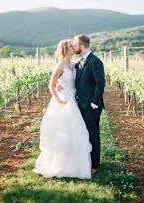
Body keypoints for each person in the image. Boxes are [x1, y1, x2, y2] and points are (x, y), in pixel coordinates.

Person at [33, 39, 92, 179]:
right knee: (63, 132)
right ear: (66, 49)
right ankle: (60, 163)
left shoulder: (73, 65)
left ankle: (74, 163)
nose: (74, 48)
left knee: (75, 132)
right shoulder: (59, 66)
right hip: (63, 101)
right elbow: (51, 85)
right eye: (72, 46)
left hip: (73, 98)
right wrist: (59, 98)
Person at [73, 34, 105, 174]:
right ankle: (86, 160)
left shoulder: (95, 61)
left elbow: (101, 83)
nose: (73, 47)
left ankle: (95, 165)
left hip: (91, 106)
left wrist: (94, 102)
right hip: (80, 105)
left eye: (75, 45)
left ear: (82, 45)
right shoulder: (80, 61)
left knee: (93, 135)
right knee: (83, 134)